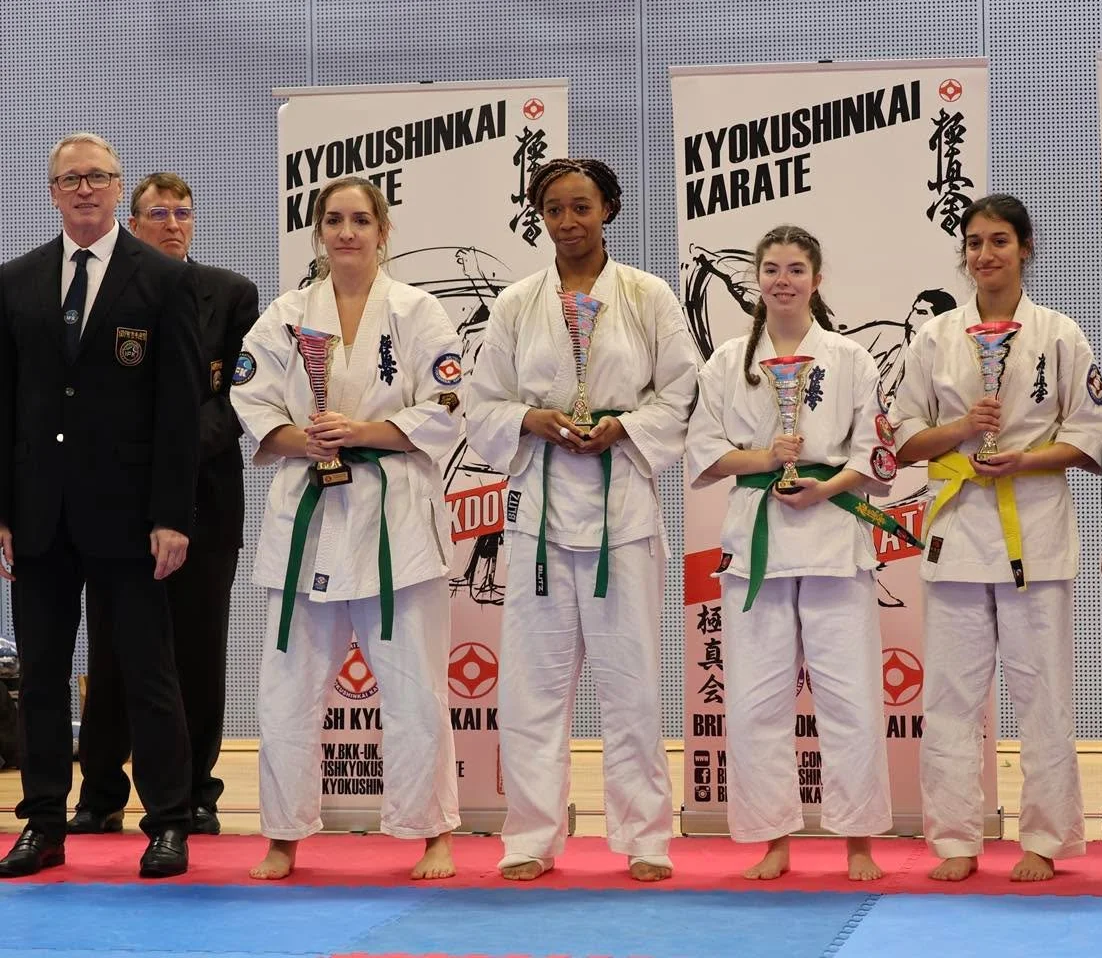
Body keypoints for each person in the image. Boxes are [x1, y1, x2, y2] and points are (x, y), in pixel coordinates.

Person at [465, 157, 698, 882]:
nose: (568, 222)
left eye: (581, 207)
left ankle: (646, 839)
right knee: (533, 686)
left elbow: (683, 392)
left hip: (620, 513)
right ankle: (531, 836)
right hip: (539, 509)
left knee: (630, 684)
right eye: (555, 210)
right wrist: (531, 417)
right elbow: (481, 403)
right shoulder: (515, 303)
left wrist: (625, 427)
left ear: (609, 210)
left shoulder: (649, 296)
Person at [231, 176, 462, 881]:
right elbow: (249, 393)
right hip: (309, 515)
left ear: (382, 230)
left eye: (361, 219)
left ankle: (431, 832)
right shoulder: (285, 314)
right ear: (318, 232)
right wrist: (303, 438)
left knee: (416, 689)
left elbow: (451, 402)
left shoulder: (419, 312)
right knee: (287, 687)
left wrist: (363, 430)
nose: (347, 232)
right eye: (333, 220)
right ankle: (284, 833)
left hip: (396, 520)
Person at [0, 133, 201, 878]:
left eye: (97, 177)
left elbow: (180, 409)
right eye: (69, 179)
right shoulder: (15, 282)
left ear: (118, 189)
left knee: (148, 674)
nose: (84, 189)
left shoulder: (163, 280)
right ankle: (44, 821)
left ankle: (170, 821)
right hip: (41, 514)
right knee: (44, 676)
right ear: (51, 192)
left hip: (133, 516)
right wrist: (3, 512)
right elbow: (5, 406)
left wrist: (173, 514)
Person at [891, 194, 1102, 883]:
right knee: (950, 696)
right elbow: (902, 440)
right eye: (975, 243)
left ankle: (1045, 837)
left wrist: (1024, 457)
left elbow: (1091, 435)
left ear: (1025, 248)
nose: (985, 255)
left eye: (999, 242)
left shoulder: (1061, 335)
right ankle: (955, 837)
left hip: (1034, 528)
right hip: (956, 529)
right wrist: (959, 431)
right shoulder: (934, 338)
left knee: (1042, 692)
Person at [685, 224, 894, 881]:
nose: (782, 279)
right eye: (771, 268)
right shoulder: (726, 361)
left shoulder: (851, 359)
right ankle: (773, 836)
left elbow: (877, 453)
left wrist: (827, 485)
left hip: (833, 534)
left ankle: (858, 838)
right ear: (756, 279)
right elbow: (705, 451)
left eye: (795, 268)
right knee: (755, 697)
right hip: (757, 543)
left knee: (852, 696)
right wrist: (764, 458)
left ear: (817, 278)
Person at [70, 172, 257, 837]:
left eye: (184, 212)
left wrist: (166, 458)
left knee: (197, 653)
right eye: (158, 213)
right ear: (134, 219)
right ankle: (99, 792)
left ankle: (195, 792)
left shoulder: (232, 295)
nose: (173, 223)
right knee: (115, 652)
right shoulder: (107, 290)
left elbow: (240, 401)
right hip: (117, 507)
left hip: (203, 500)